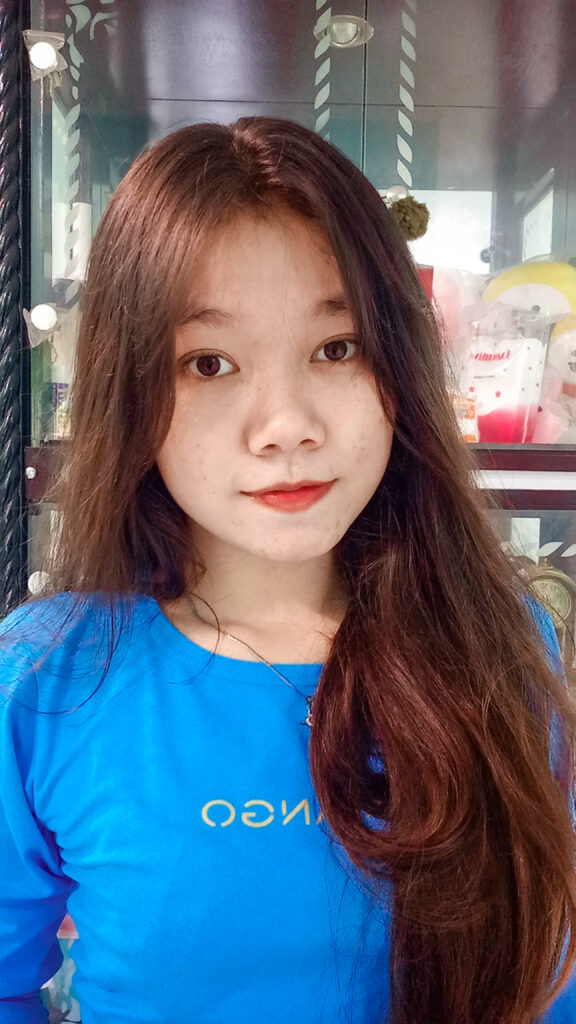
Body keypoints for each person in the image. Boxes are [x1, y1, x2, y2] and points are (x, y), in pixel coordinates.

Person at [1, 117, 575, 1024]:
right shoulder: (44, 679)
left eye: (336, 348)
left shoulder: (498, 642)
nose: (286, 427)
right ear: (130, 389)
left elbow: (547, 975)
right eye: (209, 363)